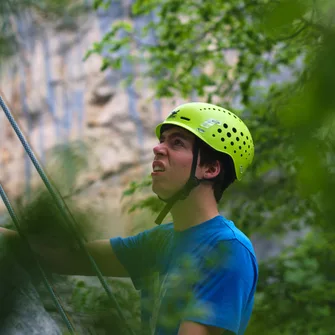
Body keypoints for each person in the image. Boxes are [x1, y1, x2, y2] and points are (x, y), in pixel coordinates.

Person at [0, 102, 258, 335]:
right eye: (162, 140)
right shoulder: (162, 241)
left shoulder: (227, 249)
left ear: (211, 169)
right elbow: (69, 257)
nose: (158, 148)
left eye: (177, 143)